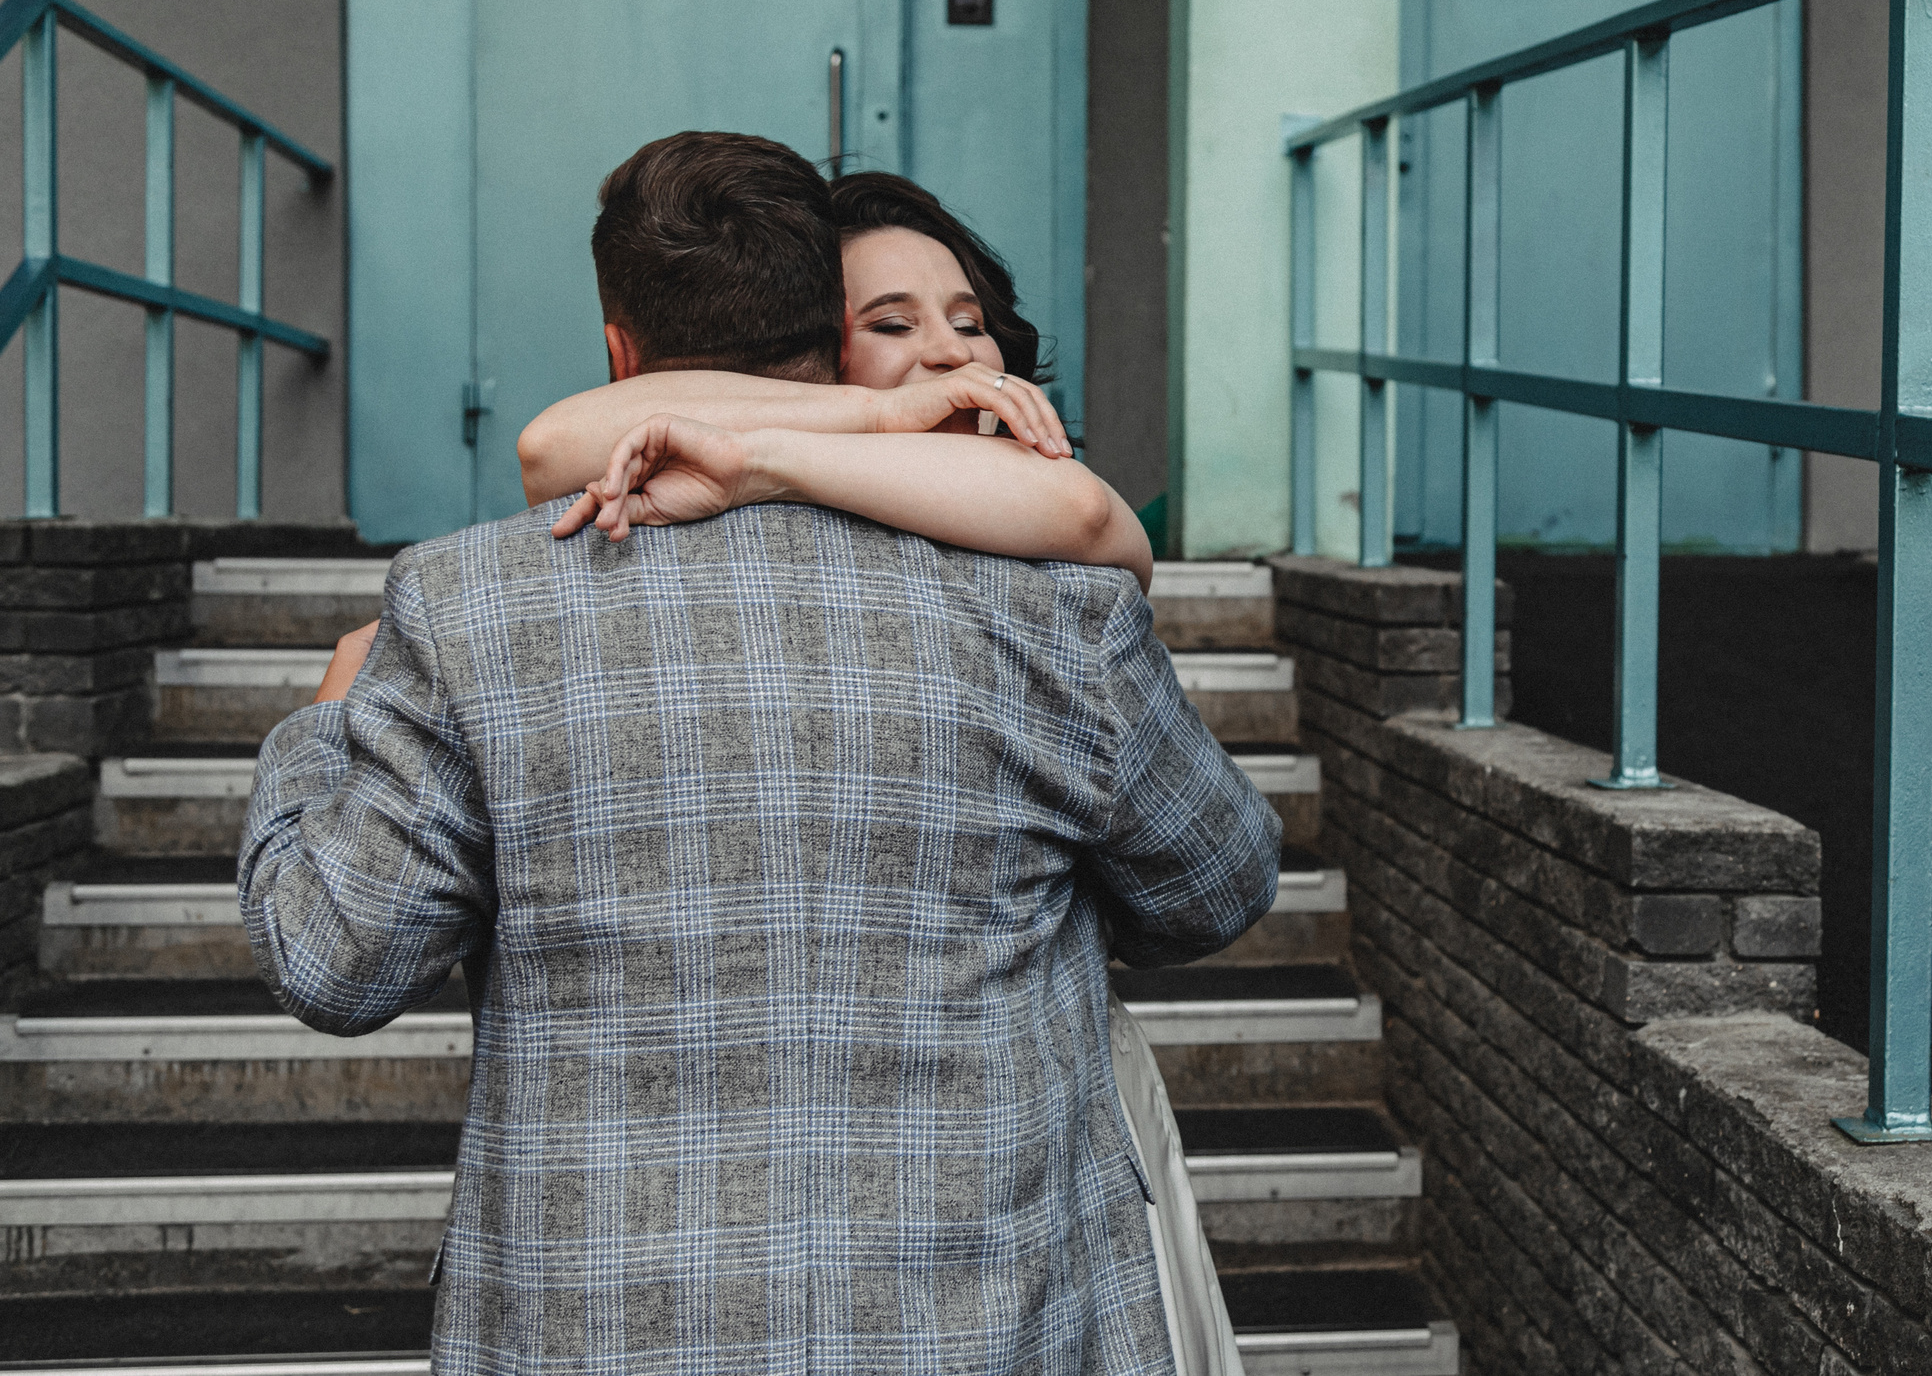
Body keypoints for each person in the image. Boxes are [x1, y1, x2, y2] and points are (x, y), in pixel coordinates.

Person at [241, 132, 1282, 1373]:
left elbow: (337, 960)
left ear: (624, 351)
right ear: (829, 342)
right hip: (986, 1328)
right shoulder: (1049, 604)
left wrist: (322, 728)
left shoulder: (465, 607)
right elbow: (1215, 888)